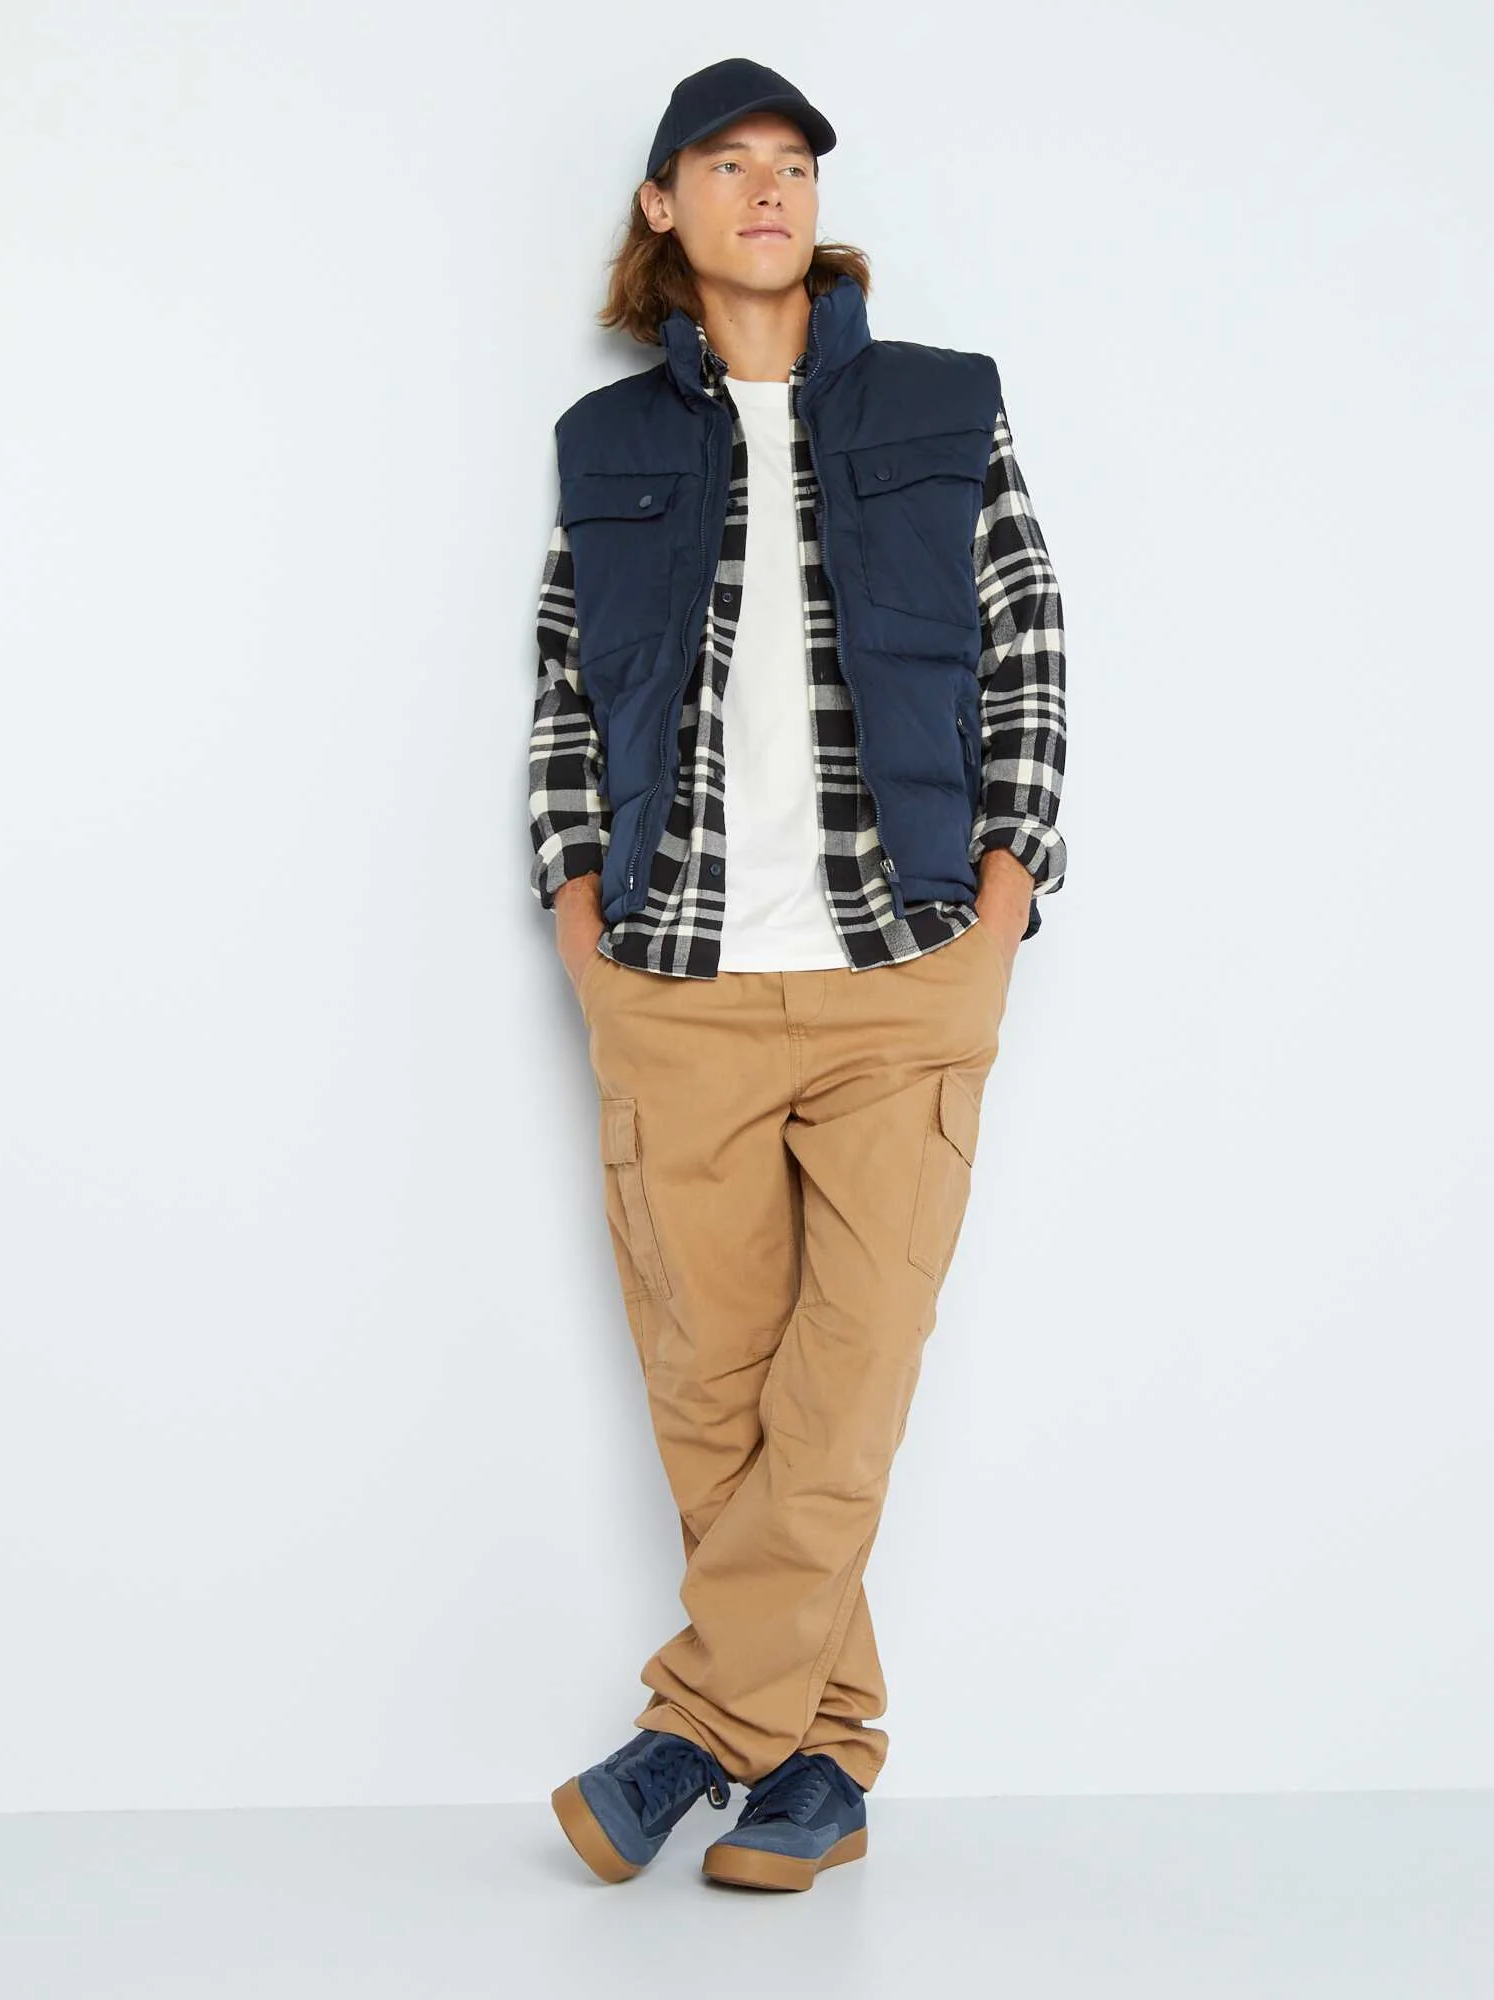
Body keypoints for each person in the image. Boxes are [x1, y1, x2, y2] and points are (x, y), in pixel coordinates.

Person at [529, 56, 1068, 1893]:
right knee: (716, 1398)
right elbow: (563, 693)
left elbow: (1029, 643)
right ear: (663, 207)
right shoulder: (606, 444)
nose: (770, 189)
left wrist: (1003, 903)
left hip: (900, 970)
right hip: (675, 978)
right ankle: (821, 1761)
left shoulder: (942, 403)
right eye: (727, 162)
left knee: (843, 1391)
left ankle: (694, 1729)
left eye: (795, 165)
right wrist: (578, 921)